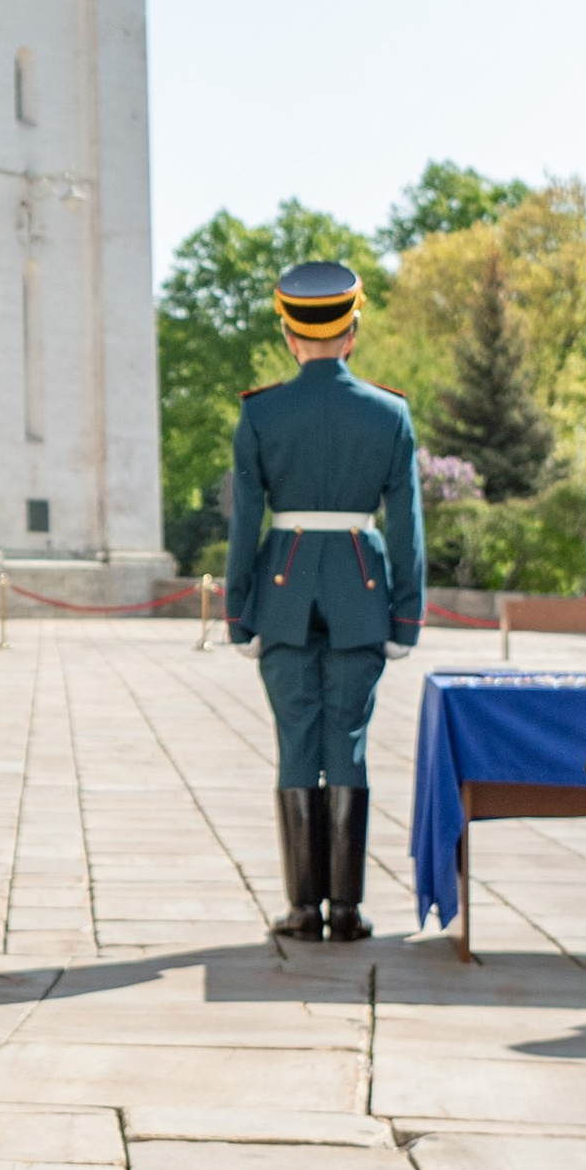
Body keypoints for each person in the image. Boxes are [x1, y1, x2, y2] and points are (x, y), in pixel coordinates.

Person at [225, 259, 424, 943]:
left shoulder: (261, 411)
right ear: (354, 330)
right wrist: (407, 612)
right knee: (350, 743)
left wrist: (238, 608)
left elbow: (244, 519)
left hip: (281, 590)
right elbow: (406, 526)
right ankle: (347, 908)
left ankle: (302, 908)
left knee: (294, 742)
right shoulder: (389, 413)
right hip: (361, 592)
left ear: (289, 334)